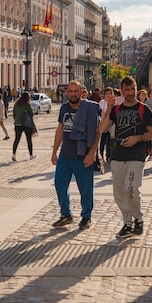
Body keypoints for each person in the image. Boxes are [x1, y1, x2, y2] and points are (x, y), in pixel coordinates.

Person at [96, 76, 152, 239]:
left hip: (136, 155)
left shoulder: (144, 109)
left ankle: (139, 219)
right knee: (119, 193)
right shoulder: (116, 110)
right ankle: (127, 223)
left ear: (136, 89)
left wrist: (137, 138)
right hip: (118, 155)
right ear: (121, 91)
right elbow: (103, 128)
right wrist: (109, 107)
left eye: (133, 89)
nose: (130, 92)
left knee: (131, 188)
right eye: (127, 89)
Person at [50, 81, 101, 230]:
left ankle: (86, 217)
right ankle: (66, 214)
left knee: (85, 188)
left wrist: (91, 154)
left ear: (81, 92)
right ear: (67, 93)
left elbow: (98, 132)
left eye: (75, 91)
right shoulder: (64, 108)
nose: (73, 94)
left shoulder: (90, 108)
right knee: (59, 183)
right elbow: (60, 130)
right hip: (66, 153)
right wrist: (54, 152)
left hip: (83, 154)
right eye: (70, 91)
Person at [11, 92, 36, 162]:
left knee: (17, 139)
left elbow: (14, 114)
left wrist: (17, 119)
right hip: (26, 124)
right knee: (29, 140)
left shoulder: (16, 104)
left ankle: (14, 154)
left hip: (18, 124)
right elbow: (31, 113)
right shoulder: (27, 104)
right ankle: (31, 155)